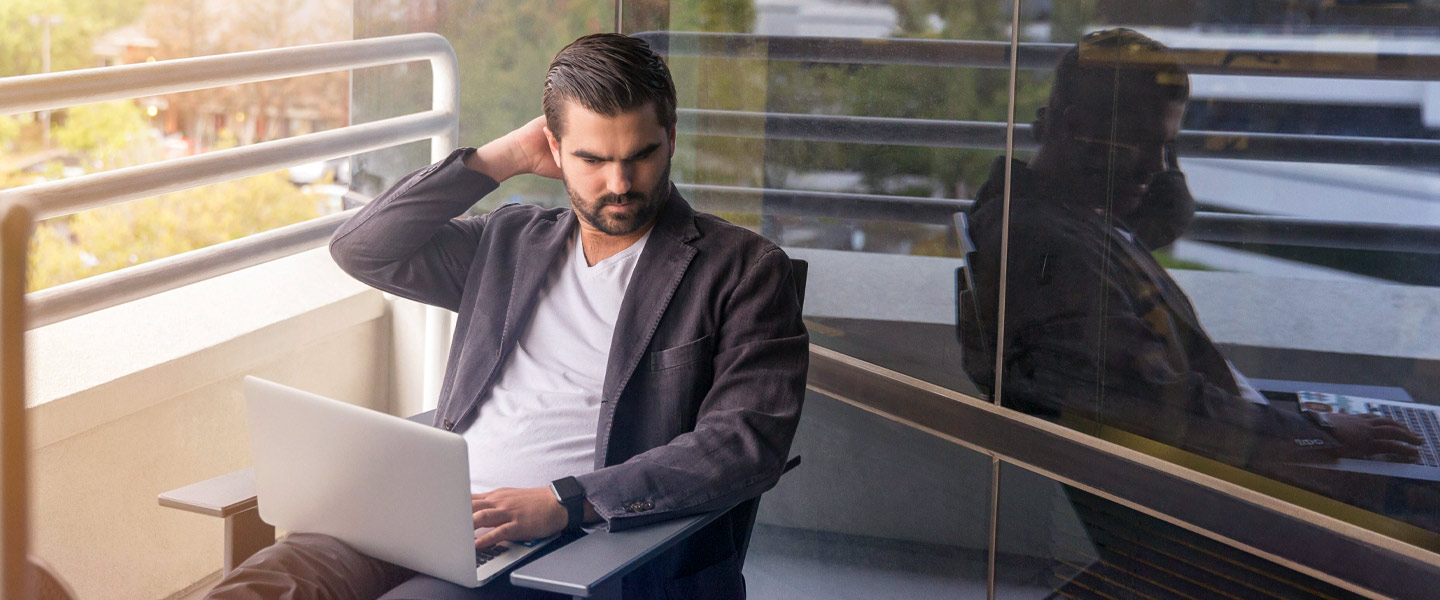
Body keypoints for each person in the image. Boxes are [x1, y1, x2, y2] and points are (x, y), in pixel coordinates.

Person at [208, 33, 808, 600]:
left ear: (671, 137)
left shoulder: (742, 271)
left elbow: (743, 444)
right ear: (553, 148)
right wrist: (503, 157)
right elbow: (362, 248)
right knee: (264, 585)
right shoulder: (513, 242)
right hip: (423, 511)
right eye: (592, 158)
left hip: (567, 544)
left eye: (641, 155)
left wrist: (565, 501)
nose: (619, 183)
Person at [957, 29, 1420, 471]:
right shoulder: (1050, 250)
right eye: (1141, 141)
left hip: (1241, 426)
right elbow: (1157, 405)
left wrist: (1307, 424)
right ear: (1074, 126)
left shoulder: (1066, 212)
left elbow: (1170, 213)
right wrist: (1314, 432)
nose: (1157, 166)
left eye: (1168, 147)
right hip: (1237, 466)